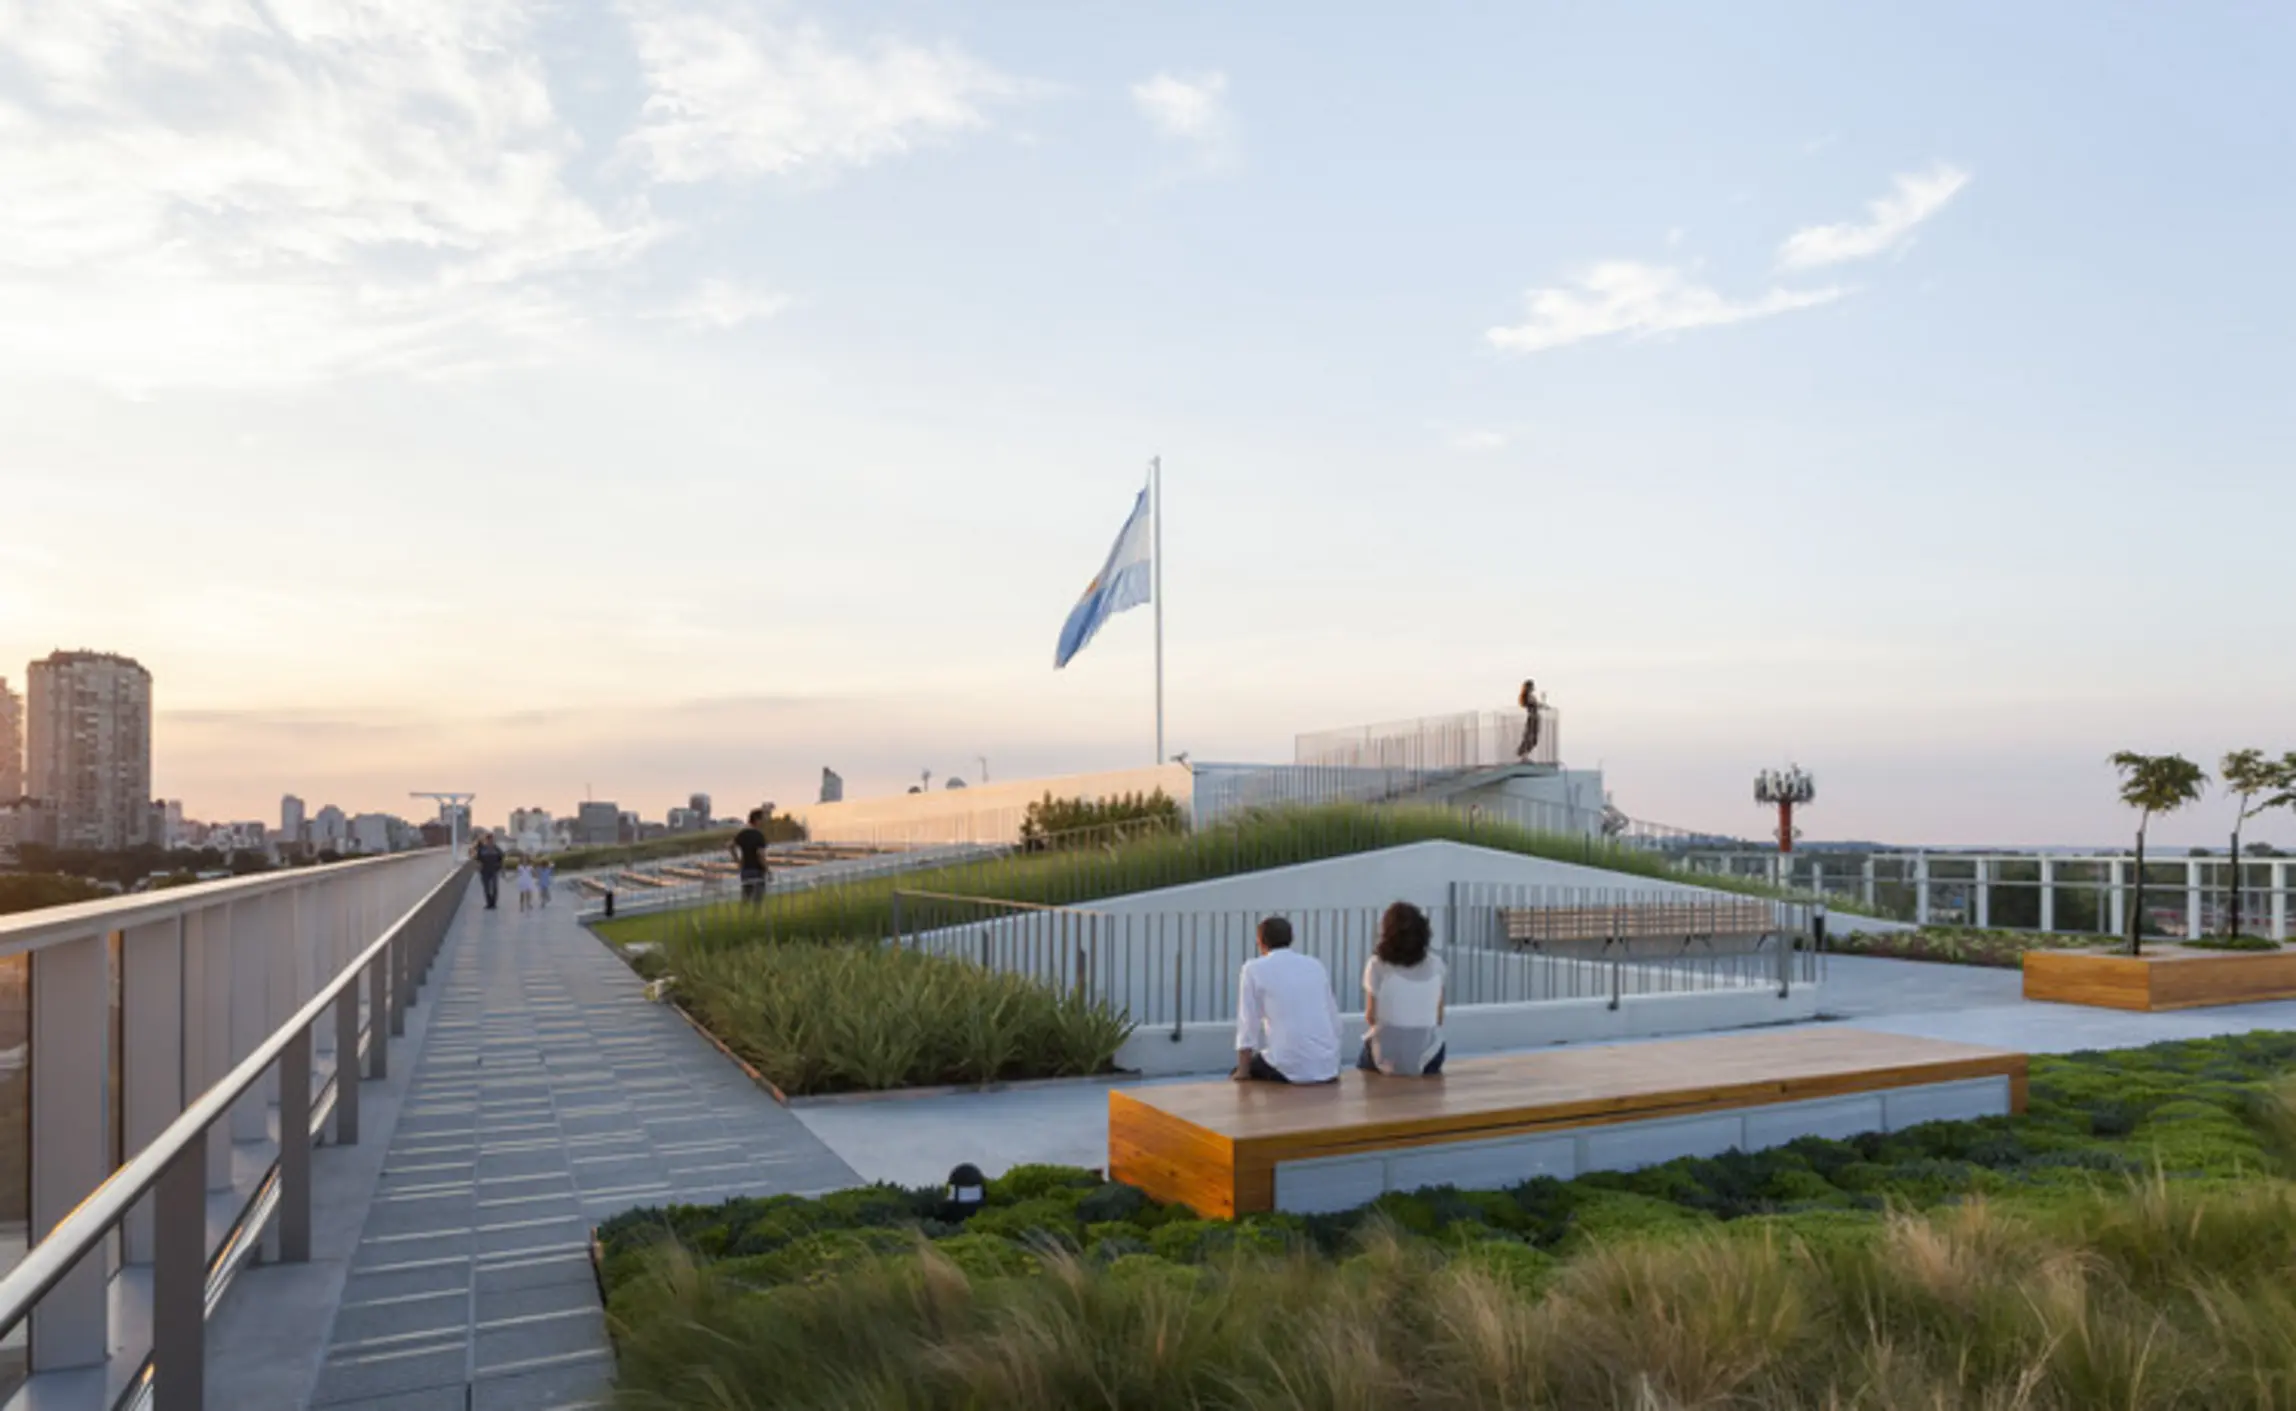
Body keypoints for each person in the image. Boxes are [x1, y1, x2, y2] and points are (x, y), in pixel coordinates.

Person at [1233, 916, 1341, 1084]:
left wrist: (1242, 1070)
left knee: (1247, 1070)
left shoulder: (1253, 969)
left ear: (1260, 941)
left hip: (1288, 1067)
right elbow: (1332, 1016)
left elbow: (1248, 1022)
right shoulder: (1315, 965)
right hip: (1327, 1066)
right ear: (1291, 938)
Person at [1358, 901, 1447, 1077]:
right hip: (1427, 1054)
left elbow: (1371, 1017)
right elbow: (1438, 1018)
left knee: (1366, 1055)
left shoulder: (1376, 965)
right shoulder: (1436, 965)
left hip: (1384, 1053)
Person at [732, 808, 771, 905]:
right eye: (762, 819)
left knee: (746, 897)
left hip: (745, 870)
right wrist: (768, 870)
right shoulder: (759, 835)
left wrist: (738, 861)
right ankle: (755, 917)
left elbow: (730, 846)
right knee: (758, 899)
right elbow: (760, 855)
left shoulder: (742, 833)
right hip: (757, 870)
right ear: (757, 820)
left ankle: (744, 917)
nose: (764, 822)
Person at [473, 832, 505, 909]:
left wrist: (501, 867)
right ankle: (489, 903)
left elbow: (502, 858)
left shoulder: (496, 849)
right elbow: (477, 859)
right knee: (486, 888)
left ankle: (493, 903)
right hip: (484, 871)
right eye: (489, 840)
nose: (490, 841)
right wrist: (478, 866)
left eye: (491, 840)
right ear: (486, 840)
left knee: (494, 887)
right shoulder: (482, 849)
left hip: (494, 870)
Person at [1516, 678, 1543, 762]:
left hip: (1535, 717)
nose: (1533, 687)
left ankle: (1525, 755)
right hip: (1532, 718)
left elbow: (1537, 704)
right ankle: (1523, 755)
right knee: (1529, 737)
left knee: (1534, 738)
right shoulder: (1526, 696)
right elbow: (1531, 704)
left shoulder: (1530, 696)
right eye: (1531, 686)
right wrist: (1538, 705)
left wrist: (1542, 705)